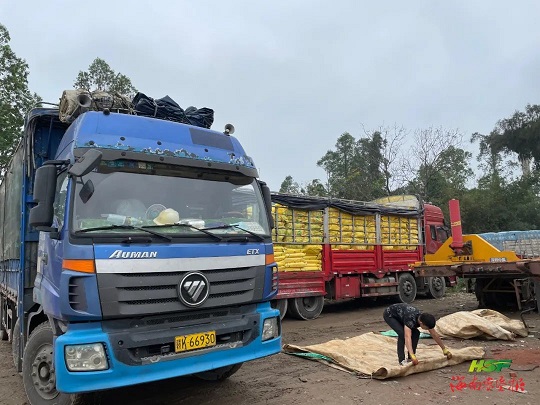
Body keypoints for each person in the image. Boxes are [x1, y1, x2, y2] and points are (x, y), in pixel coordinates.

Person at [383, 303, 452, 366]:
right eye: (426, 328)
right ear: (421, 323)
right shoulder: (410, 319)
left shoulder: (424, 319)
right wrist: (412, 354)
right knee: (402, 334)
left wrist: (444, 349)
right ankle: (402, 360)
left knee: (416, 333)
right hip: (390, 315)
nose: (427, 330)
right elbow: (407, 337)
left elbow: (434, 334)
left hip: (402, 315)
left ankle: (410, 358)